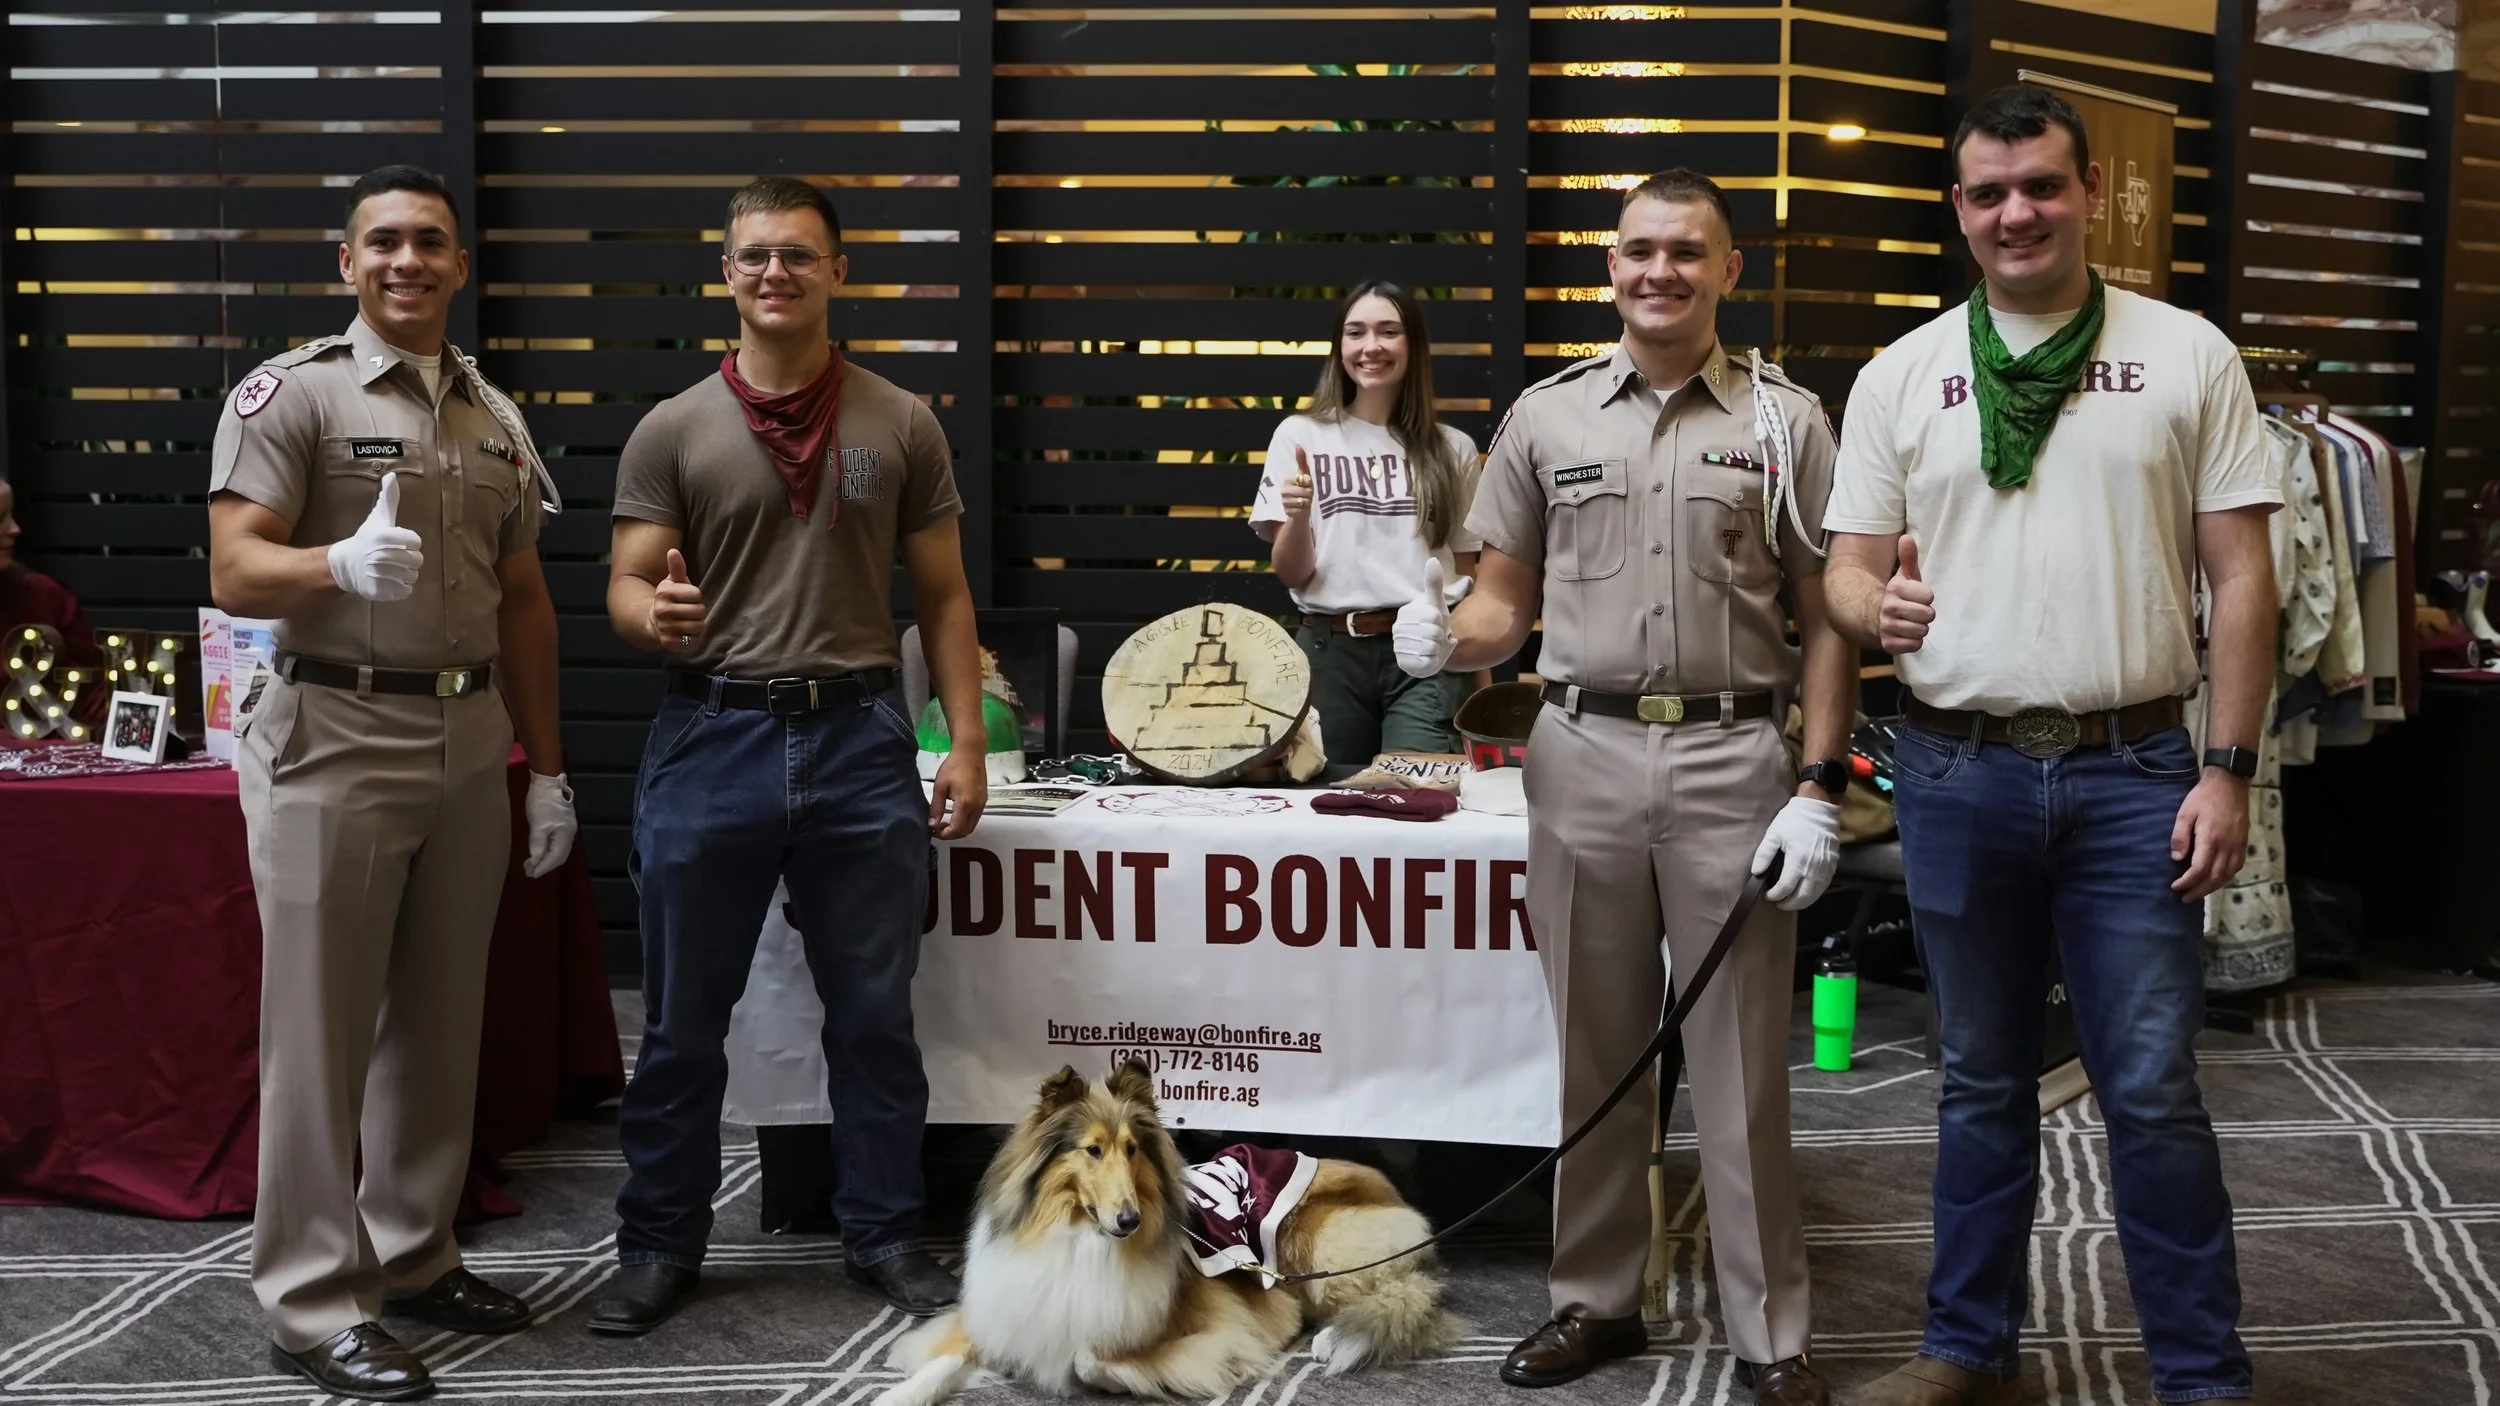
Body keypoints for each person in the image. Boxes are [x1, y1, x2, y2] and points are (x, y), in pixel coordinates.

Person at [1820, 84, 2278, 1406]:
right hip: (1956, 768)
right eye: (1988, 191)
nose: (2016, 210)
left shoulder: (2188, 353)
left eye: (2041, 184)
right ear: (1958, 209)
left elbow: (2243, 578)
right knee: (1976, 1076)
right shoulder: (1902, 374)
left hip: (2138, 773)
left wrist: (2227, 765)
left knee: (2147, 1083)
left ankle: (2202, 1370)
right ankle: (1965, 1345)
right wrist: (1877, 606)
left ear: (2088, 194)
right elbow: (1847, 578)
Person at [1391, 169, 1853, 1405]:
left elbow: (1825, 621)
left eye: (1687, 252)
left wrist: (1817, 779)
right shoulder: (1546, 418)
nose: (1661, 271)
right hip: (1580, 751)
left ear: (1728, 269)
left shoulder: (1784, 421)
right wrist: (1448, 636)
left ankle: (1769, 1328)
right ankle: (1594, 1300)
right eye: (1640, 250)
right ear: (1610, 266)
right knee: (1597, 1050)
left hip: (1733, 758)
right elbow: (1502, 602)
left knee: (1744, 1057)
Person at [205, 164, 578, 1402]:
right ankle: (312, 1300)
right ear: (346, 262)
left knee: (438, 1018)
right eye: (384, 242)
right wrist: (331, 562)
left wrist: (552, 770)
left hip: (469, 741)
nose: (408, 261)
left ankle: (413, 1252)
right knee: (318, 1034)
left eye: (430, 242)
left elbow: (526, 600)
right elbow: (234, 570)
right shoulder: (289, 393)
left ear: (462, 266)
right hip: (336, 733)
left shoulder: (493, 416)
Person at [593, 176, 988, 1336]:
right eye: (756, 257)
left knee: (873, 1016)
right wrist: (645, 616)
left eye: (799, 257)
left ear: (836, 273)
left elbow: (947, 592)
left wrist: (960, 738)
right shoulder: (673, 426)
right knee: (678, 1025)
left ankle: (881, 1232)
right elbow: (625, 579)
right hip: (712, 734)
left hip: (862, 737)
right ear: (726, 273)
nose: (777, 275)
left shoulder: (898, 418)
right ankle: (660, 1242)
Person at [1250, 281, 1486, 765]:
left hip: (1425, 657)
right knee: (1322, 807)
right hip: (1328, 650)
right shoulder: (1300, 435)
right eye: (1355, 332)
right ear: (1340, 348)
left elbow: (1469, 578)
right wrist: (1295, 516)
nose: (1370, 346)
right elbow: (1293, 573)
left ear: (1412, 346)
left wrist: (1482, 686)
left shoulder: (1453, 449)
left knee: (1421, 801)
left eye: (1388, 331)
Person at [0, 478, 110, 733]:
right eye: (0, 518)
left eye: (12, 515)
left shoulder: (44, 597)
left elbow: (96, 689)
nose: (15, 528)